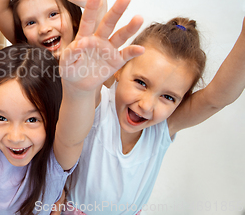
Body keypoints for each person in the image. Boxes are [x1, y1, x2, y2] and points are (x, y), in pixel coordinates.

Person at [0, 0, 145, 215]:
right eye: (1, 118)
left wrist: (81, 90)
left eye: (32, 119)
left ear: (52, 117)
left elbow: (71, 137)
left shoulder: (54, 164)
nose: (15, 136)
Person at [64, 16, 245, 215]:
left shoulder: (162, 129)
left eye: (168, 97)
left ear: (181, 102)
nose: (146, 105)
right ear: (119, 68)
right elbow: (87, 71)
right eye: (141, 83)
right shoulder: (97, 105)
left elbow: (216, 98)